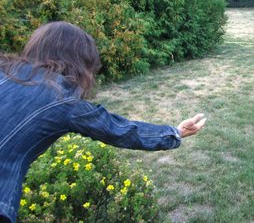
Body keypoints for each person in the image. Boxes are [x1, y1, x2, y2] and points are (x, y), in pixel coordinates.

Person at [0, 21, 206, 223]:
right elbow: (119, 130)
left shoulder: (4, 69)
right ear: (79, 61)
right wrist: (175, 133)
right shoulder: (62, 100)